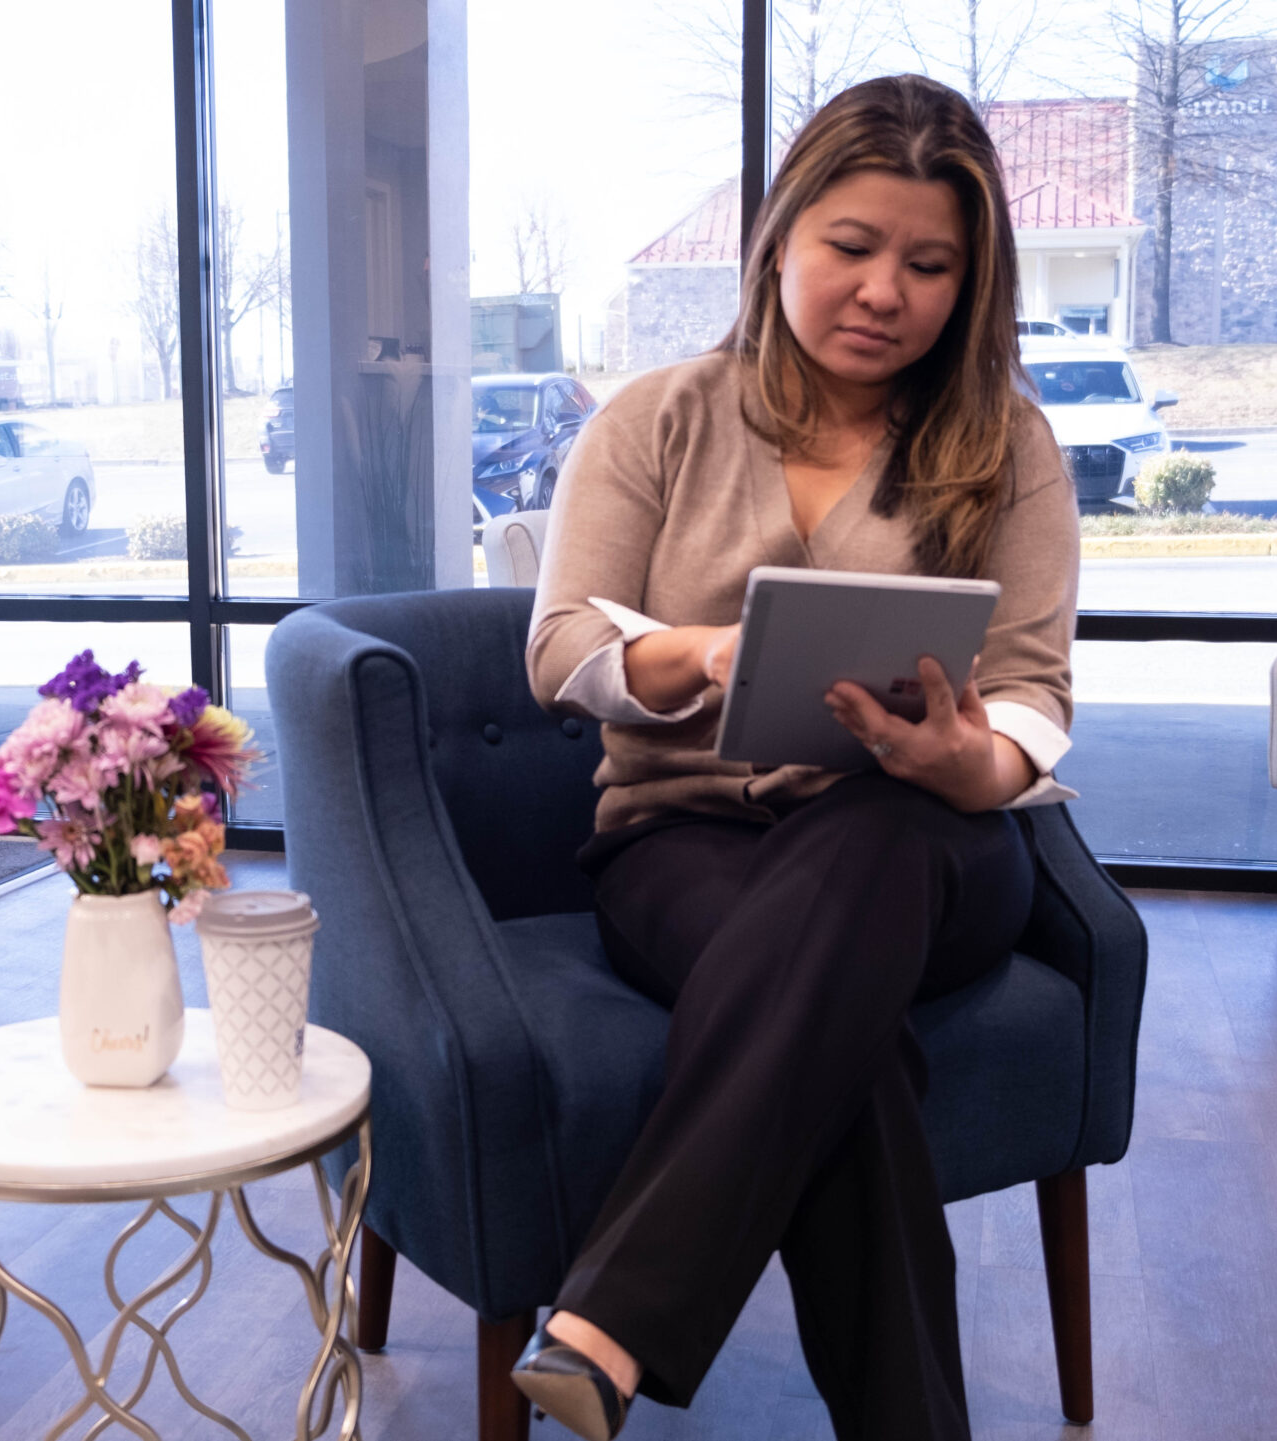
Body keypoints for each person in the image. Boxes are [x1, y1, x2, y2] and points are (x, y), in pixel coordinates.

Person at [514, 74, 1079, 1441]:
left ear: (970, 279)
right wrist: (700, 657)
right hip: (679, 840)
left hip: (925, 842)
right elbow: (561, 647)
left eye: (930, 264)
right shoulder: (656, 418)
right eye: (853, 246)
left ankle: (616, 1316)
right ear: (778, 239)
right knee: (847, 1051)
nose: (886, 290)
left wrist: (959, 756)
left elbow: (1037, 701)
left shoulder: (1004, 443)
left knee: (872, 845)